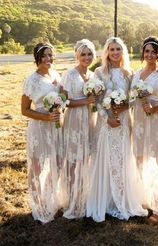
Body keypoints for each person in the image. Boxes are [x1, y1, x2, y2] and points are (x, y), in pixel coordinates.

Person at [86, 37, 147, 222]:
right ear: (106, 52)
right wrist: (107, 117)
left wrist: (123, 107)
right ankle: (105, 200)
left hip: (123, 121)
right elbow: (96, 99)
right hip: (105, 122)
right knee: (105, 157)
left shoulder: (129, 73)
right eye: (111, 49)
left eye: (118, 49)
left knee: (121, 157)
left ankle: (122, 198)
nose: (114, 53)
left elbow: (134, 98)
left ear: (123, 52)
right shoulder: (98, 72)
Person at [21, 43, 63, 223]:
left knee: (57, 163)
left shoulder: (56, 75)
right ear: (37, 58)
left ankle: (49, 198)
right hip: (39, 127)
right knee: (38, 167)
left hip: (56, 127)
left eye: (51, 55)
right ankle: (38, 204)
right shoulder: (32, 80)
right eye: (45, 56)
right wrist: (45, 118)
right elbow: (24, 110)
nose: (48, 59)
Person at [131, 36, 158, 224]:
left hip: (156, 120)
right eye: (147, 51)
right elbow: (131, 98)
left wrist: (155, 107)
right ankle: (144, 199)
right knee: (140, 159)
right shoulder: (136, 74)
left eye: (153, 52)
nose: (150, 55)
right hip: (138, 120)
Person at [59, 39, 97, 219]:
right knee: (74, 159)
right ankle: (73, 199)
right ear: (77, 55)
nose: (87, 57)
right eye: (83, 54)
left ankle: (84, 195)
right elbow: (63, 101)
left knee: (86, 157)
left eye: (89, 54)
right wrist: (85, 101)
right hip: (74, 120)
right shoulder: (69, 75)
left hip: (89, 119)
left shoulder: (93, 76)